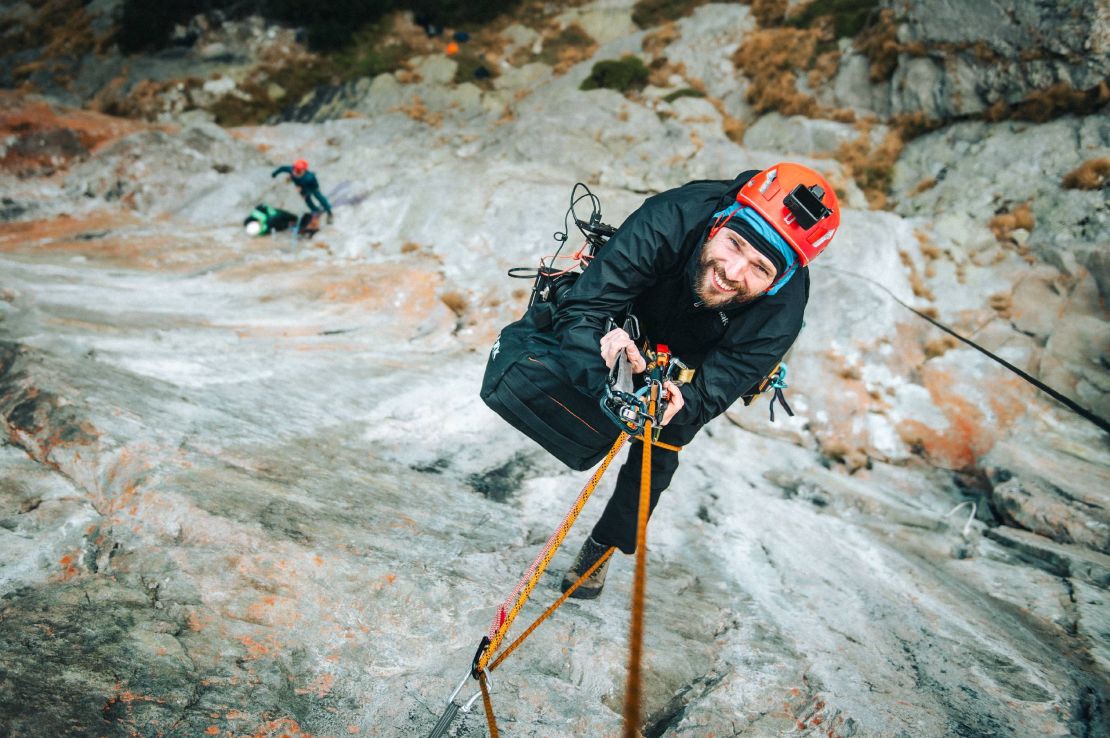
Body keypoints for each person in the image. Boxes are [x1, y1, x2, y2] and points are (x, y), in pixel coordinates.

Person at [550, 163, 841, 598]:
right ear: (720, 222)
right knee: (564, 347)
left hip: (708, 346)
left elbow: (713, 389)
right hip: (642, 300)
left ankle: (603, 547)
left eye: (759, 268)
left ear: (779, 281)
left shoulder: (781, 317)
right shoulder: (674, 215)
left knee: (664, 441)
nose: (733, 270)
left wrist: (683, 398)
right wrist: (597, 362)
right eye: (734, 244)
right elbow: (586, 304)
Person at [271, 159, 333, 223]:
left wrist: (304, 191)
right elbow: (282, 168)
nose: (294, 172)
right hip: (301, 187)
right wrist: (275, 173)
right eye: (294, 170)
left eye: (298, 171)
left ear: (303, 170)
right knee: (308, 201)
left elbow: (315, 186)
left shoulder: (309, 177)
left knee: (320, 198)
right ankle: (315, 210)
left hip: (312, 187)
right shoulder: (291, 169)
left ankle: (329, 213)